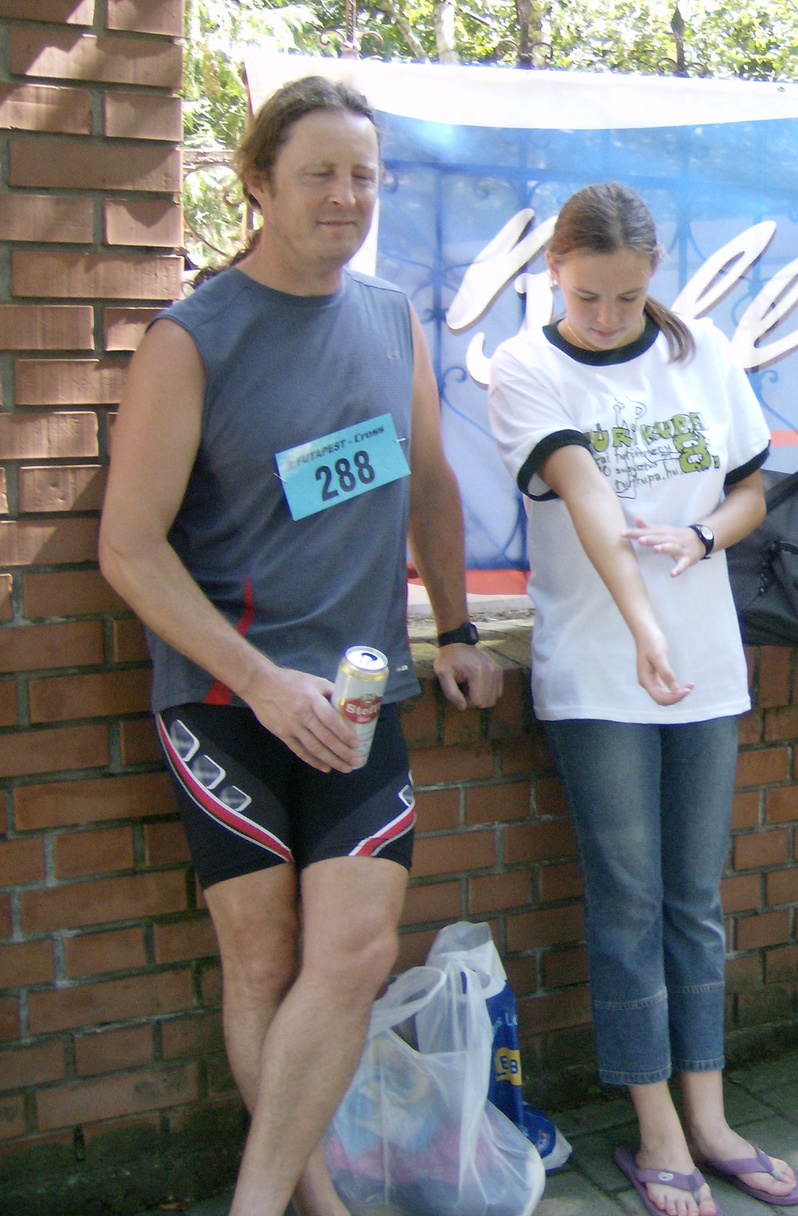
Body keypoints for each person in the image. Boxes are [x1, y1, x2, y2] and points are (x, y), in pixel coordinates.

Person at [98, 78, 503, 1216]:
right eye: (320, 173)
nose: (345, 196)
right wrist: (261, 681)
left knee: (359, 946)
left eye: (364, 175)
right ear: (260, 184)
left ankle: (252, 1204)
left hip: (360, 698)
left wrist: (459, 625)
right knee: (265, 962)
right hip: (228, 701)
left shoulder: (390, 320)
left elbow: (428, 482)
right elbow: (128, 550)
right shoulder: (193, 337)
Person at [487, 183, 798, 1216]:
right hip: (600, 669)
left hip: (705, 664)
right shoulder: (525, 370)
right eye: (589, 298)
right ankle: (655, 1128)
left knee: (693, 899)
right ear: (553, 273)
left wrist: (706, 534)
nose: (609, 318)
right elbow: (584, 495)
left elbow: (754, 488)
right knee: (626, 900)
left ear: (653, 278)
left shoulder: (701, 353)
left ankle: (711, 1116)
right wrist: (643, 624)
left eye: (627, 298)